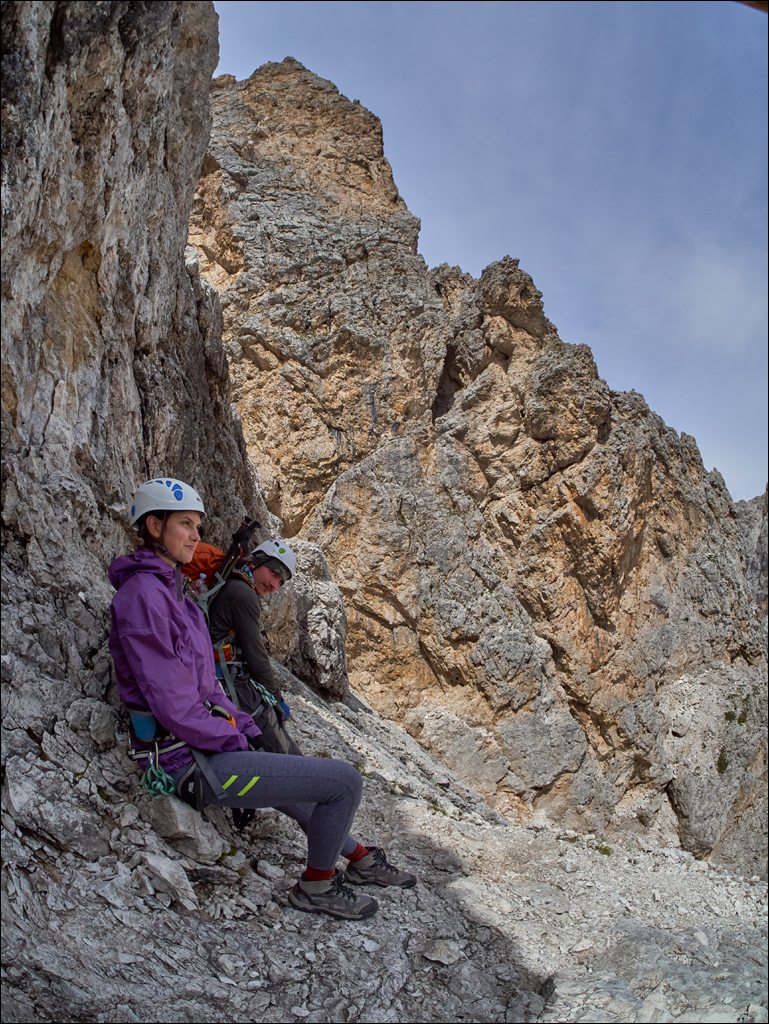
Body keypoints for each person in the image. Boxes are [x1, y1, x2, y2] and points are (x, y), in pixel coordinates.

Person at [108, 478, 414, 921]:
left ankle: (361, 858)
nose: (196, 535)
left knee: (297, 783)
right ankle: (317, 885)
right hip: (185, 763)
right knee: (343, 782)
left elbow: (207, 684)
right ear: (154, 526)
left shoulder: (180, 596)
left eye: (198, 525)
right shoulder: (143, 598)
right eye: (186, 525)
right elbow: (172, 703)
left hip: (201, 749)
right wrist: (229, 738)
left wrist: (244, 727)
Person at [205, 538, 415, 889]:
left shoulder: (231, 587)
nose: (274, 585)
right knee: (303, 778)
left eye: (281, 581)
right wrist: (274, 697)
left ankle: (359, 855)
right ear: (257, 562)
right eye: (273, 573)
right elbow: (257, 657)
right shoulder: (242, 596)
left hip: (225, 693)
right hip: (239, 695)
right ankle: (356, 862)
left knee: (293, 781)